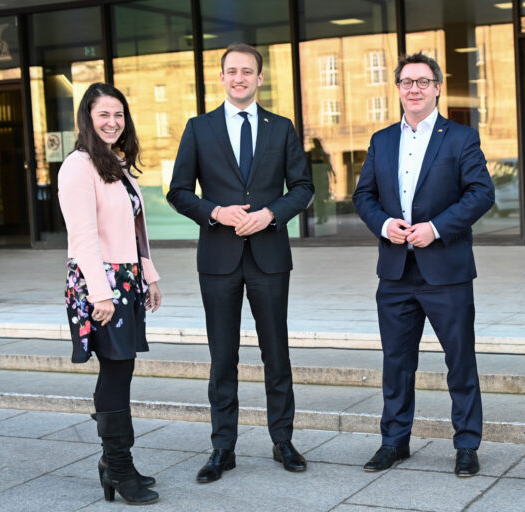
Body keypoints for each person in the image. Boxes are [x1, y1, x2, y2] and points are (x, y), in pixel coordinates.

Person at [167, 43, 314, 483]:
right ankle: (222, 448)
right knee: (222, 357)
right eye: (232, 71)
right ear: (222, 77)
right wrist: (214, 212)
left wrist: (271, 214)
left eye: (247, 71)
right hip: (218, 258)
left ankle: (283, 440)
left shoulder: (281, 128)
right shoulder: (199, 128)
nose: (239, 78)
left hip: (269, 257)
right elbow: (178, 191)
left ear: (260, 78)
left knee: (277, 354)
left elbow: (303, 187)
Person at [353, 52, 494, 477]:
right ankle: (394, 442)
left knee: (460, 361)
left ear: (437, 88)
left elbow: (480, 193)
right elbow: (364, 196)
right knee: (396, 363)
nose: (413, 89)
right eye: (406, 82)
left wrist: (436, 227)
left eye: (422, 81)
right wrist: (383, 225)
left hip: (445, 271)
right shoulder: (381, 140)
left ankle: (467, 445)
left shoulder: (461, 138)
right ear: (397, 89)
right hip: (395, 272)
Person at [58, 82, 162, 505]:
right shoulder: (77, 166)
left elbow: (134, 232)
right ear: (87, 118)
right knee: (115, 370)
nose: (112, 122)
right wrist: (102, 294)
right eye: (104, 114)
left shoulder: (115, 165)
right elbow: (82, 237)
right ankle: (117, 468)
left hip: (126, 280)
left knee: (122, 369)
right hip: (98, 283)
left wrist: (149, 276)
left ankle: (116, 462)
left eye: (118, 115)